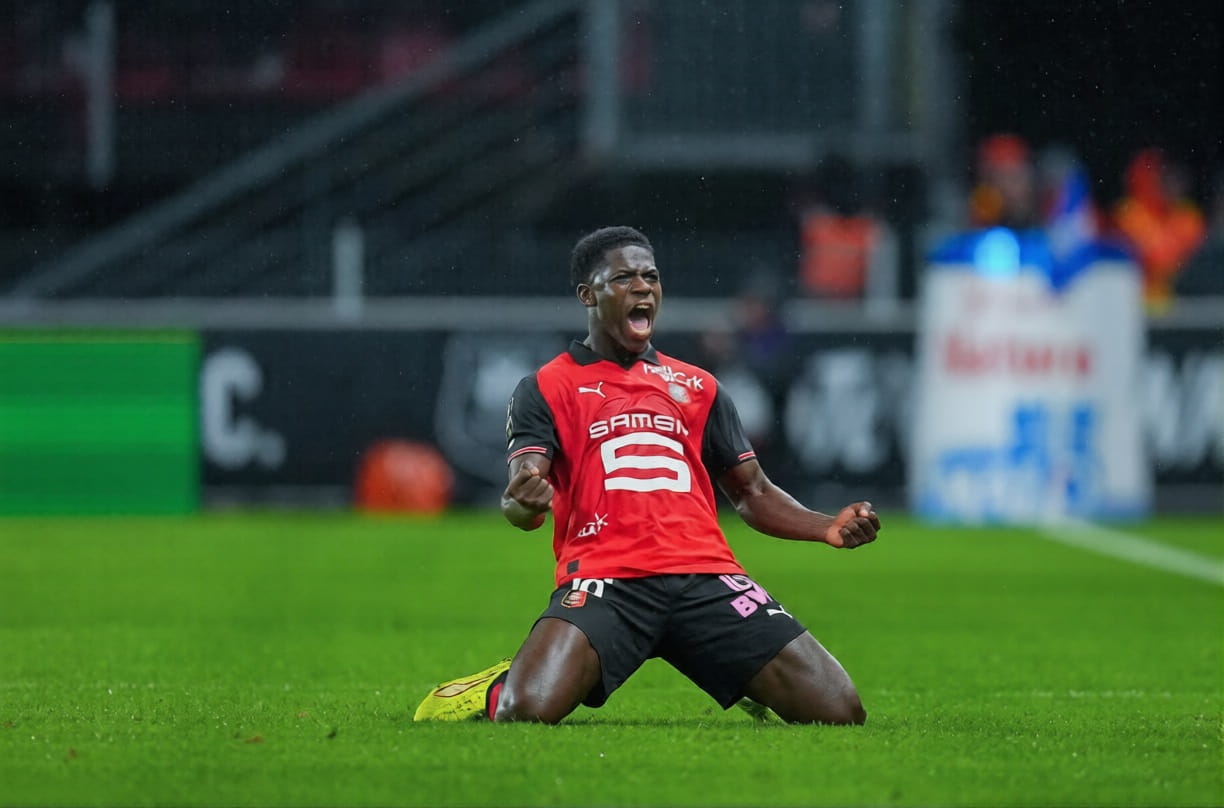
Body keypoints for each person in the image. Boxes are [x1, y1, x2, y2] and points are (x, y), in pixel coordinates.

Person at [413, 226, 881, 726]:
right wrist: (523, 503)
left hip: (705, 577)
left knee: (840, 711)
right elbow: (520, 499)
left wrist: (825, 526)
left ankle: (736, 666)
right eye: (623, 278)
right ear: (587, 295)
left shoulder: (700, 386)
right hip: (608, 578)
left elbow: (753, 492)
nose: (642, 287)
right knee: (524, 709)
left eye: (650, 277)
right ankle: (500, 683)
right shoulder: (547, 386)